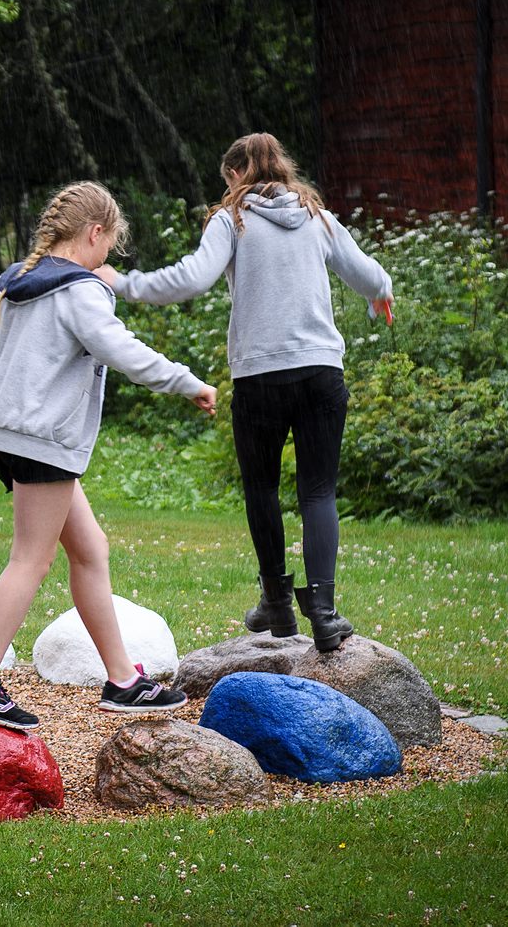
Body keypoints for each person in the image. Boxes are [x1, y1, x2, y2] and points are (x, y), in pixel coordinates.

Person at [0, 181, 217, 731]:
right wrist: (188, 383)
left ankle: (122, 680)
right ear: (94, 233)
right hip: (43, 443)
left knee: (90, 548)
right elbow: (123, 351)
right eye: (109, 245)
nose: (107, 257)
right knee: (30, 560)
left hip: (6, 436)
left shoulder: (12, 283)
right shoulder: (78, 290)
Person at [102, 132, 393, 653]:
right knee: (318, 492)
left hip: (260, 378)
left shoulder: (231, 219)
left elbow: (192, 278)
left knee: (262, 490)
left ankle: (278, 604)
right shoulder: (317, 217)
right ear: (281, 168)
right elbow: (371, 276)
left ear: (236, 175)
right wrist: (379, 300)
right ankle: (324, 613)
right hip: (321, 372)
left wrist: (124, 283)